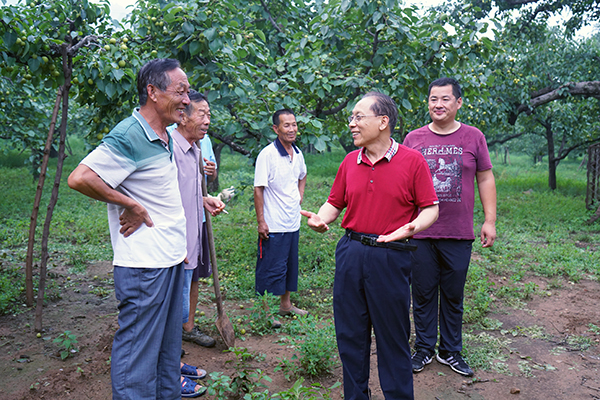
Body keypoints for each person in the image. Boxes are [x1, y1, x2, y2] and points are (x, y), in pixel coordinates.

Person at [68, 59, 205, 399]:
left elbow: (158, 190)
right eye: (181, 91)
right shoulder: (130, 134)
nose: (187, 100)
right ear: (153, 92)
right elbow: (81, 178)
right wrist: (129, 204)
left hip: (171, 258)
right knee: (138, 357)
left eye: (188, 92)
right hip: (145, 266)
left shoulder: (166, 135)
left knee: (166, 351)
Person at [301, 91, 439, 400]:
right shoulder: (350, 161)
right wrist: (321, 219)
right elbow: (334, 203)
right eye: (351, 117)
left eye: (358, 117)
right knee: (350, 336)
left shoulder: (412, 161)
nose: (352, 123)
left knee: (393, 338)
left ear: (383, 121)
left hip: (390, 255)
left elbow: (431, 207)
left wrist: (413, 226)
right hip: (351, 252)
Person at [403, 77, 497, 377]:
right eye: (433, 99)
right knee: (423, 292)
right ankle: (424, 349)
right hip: (420, 232)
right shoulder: (413, 138)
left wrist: (489, 220)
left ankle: (451, 351)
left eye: (445, 99)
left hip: (458, 232)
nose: (438, 105)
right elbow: (401, 182)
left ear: (458, 103)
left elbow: (485, 177)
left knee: (454, 294)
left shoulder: (473, 137)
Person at [172, 91, 222, 349]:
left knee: (189, 280)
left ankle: (181, 334)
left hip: (193, 227)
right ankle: (168, 351)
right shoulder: (167, 145)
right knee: (168, 293)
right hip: (172, 237)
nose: (207, 120)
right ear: (182, 116)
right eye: (202, 114)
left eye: (209, 115)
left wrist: (204, 199)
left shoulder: (196, 146)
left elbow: (190, 188)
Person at [254, 109, 308, 326]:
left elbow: (303, 176)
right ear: (276, 129)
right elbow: (259, 189)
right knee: (269, 267)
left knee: (289, 265)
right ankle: (265, 312)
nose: (292, 129)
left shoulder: (297, 153)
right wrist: (261, 221)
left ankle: (286, 305)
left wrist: (299, 196)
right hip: (273, 223)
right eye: (286, 125)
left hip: (292, 221)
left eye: (294, 124)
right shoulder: (267, 155)